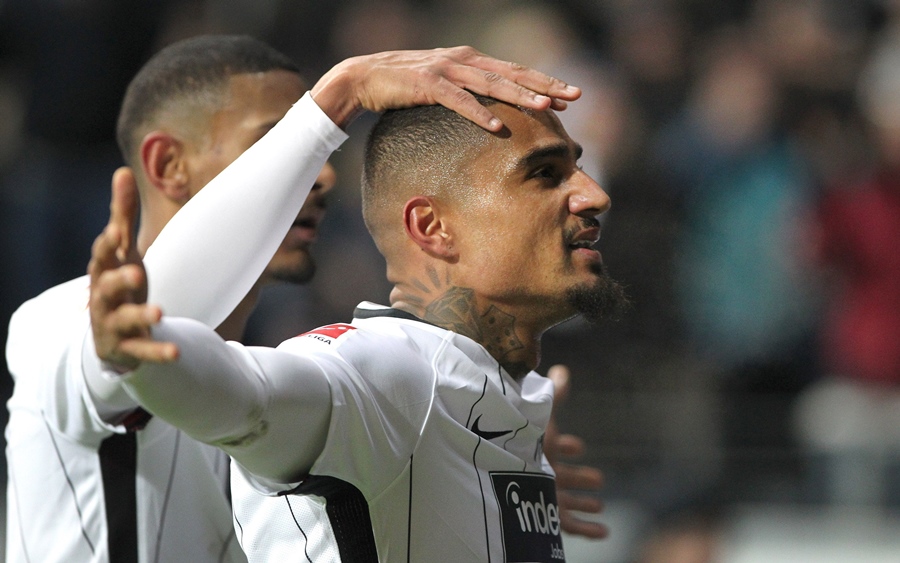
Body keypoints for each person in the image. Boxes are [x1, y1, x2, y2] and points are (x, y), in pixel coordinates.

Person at [6, 35, 593, 562]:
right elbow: (139, 340)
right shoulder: (57, 326)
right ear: (169, 165)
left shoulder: (272, 360)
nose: (323, 174)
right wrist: (339, 96)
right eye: (274, 140)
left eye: (319, 149)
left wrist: (478, 482)